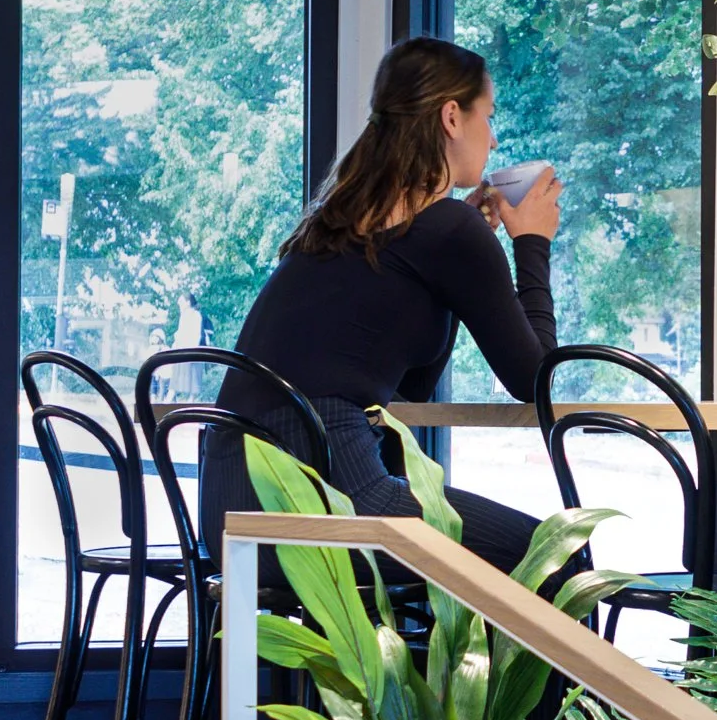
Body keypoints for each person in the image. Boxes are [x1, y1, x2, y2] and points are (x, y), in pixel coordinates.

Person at [204, 36, 561, 573]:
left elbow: (406, 388)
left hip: (231, 501)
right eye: (487, 116)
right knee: (556, 561)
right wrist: (531, 243)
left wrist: (465, 272)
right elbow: (535, 379)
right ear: (451, 118)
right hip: (328, 499)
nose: (492, 138)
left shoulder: (338, 220)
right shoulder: (445, 229)